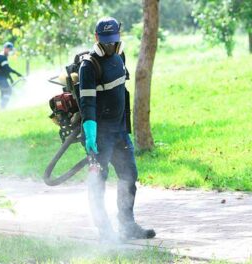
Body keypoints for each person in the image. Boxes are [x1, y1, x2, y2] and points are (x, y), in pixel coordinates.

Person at [78, 17, 156, 241]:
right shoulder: (89, 66)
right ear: (96, 38)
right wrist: (90, 133)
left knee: (129, 175)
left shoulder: (120, 57)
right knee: (98, 181)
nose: (110, 46)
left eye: (113, 41)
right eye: (105, 41)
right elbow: (87, 103)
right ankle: (105, 231)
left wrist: (125, 127)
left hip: (120, 131)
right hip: (99, 135)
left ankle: (127, 225)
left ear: (118, 38)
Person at [0, 42, 23, 109]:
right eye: (9, 49)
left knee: (4, 91)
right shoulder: (2, 57)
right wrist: (16, 73)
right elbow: (7, 68)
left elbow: (4, 70)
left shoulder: (1, 56)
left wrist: (10, 78)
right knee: (8, 91)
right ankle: (2, 107)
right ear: (5, 48)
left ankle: (1, 107)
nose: (10, 52)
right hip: (0, 77)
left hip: (0, 77)